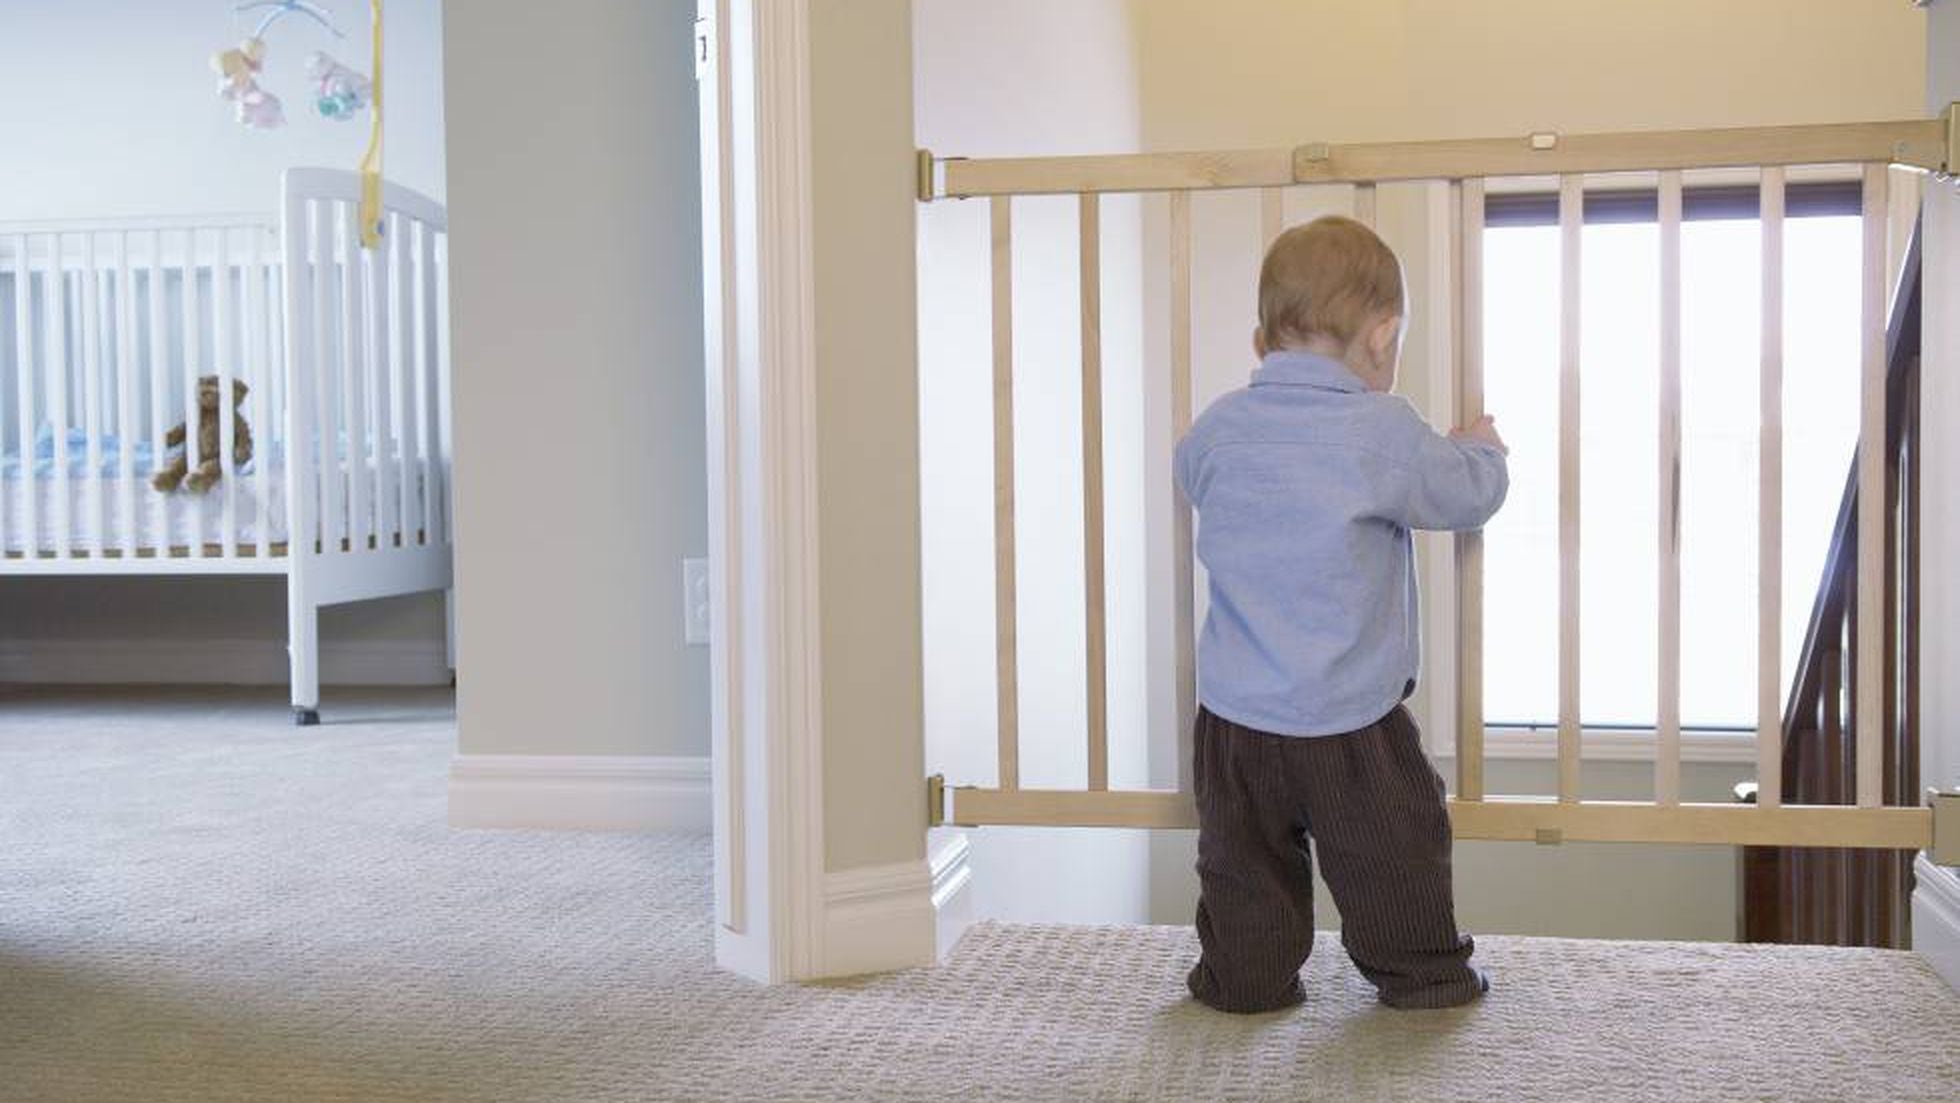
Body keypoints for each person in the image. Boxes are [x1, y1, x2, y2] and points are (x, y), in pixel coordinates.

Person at [1173, 215, 1508, 1013]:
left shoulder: (1220, 427)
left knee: (1241, 863)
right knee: (1394, 850)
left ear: (1262, 343)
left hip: (1235, 718)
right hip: (1349, 718)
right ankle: (1422, 974)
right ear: (1381, 337)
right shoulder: (1380, 431)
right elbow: (1467, 496)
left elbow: (1194, 475)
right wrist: (1484, 448)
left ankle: (1243, 980)